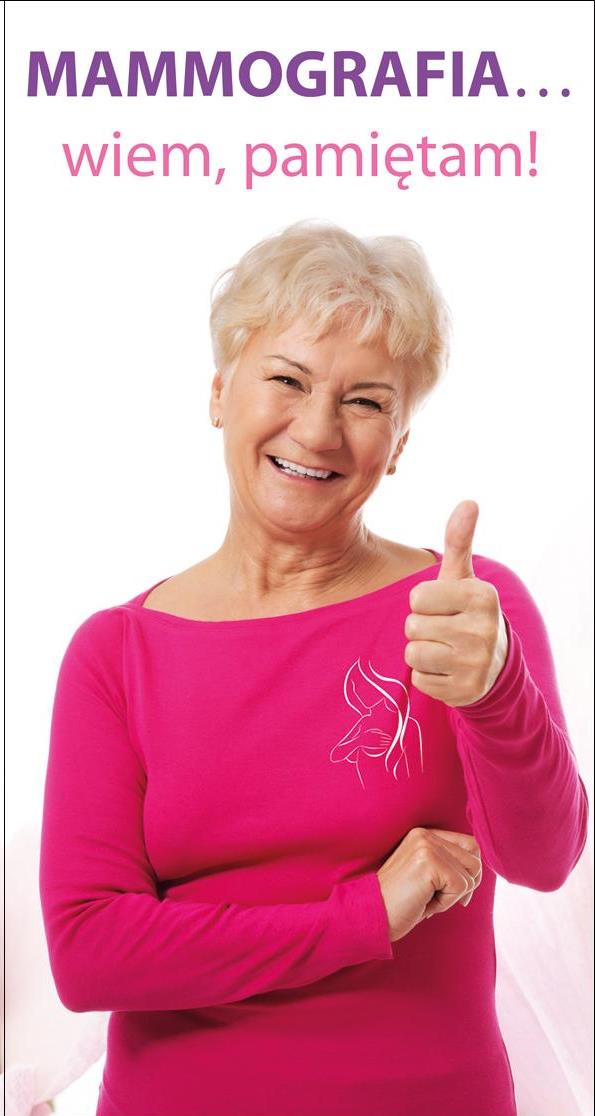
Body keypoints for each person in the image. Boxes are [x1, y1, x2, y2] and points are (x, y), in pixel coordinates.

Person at [39, 220, 589, 1116]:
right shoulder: (117, 653)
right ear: (220, 392)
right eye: (287, 380)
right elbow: (90, 955)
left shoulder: (460, 613)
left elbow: (544, 859)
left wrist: (496, 693)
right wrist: (363, 915)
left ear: (399, 441)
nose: (318, 429)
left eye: (365, 401)